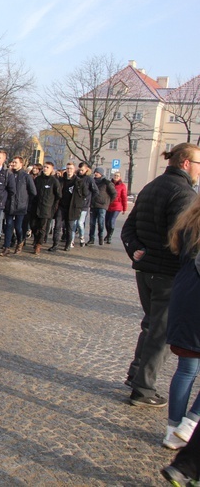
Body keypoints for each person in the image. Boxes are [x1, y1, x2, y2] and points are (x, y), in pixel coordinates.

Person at [122, 143, 200, 408]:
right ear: (186, 163)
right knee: (162, 331)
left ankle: (135, 376)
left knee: (151, 324)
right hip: (168, 273)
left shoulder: (151, 186)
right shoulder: (184, 193)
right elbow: (182, 240)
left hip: (146, 271)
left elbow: (128, 229)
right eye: (199, 164)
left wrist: (137, 250)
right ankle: (143, 388)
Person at [161, 196, 200, 449]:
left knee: (186, 368)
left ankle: (172, 429)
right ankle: (190, 423)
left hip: (184, 296)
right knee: (187, 369)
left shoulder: (189, 225)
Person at [0, 156, 36, 256]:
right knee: (9, 226)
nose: (13, 164)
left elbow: (33, 192)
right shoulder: (9, 174)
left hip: (21, 206)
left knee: (18, 227)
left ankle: (20, 241)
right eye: (13, 162)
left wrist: (26, 201)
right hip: (9, 205)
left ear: (21, 164)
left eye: (16, 162)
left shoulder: (26, 176)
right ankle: (6, 247)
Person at [30, 162, 61, 254]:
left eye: (47, 167)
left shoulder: (54, 181)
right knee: (33, 225)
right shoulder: (38, 179)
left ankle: (39, 244)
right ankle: (35, 239)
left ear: (51, 169)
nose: (45, 169)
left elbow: (58, 195)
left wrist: (54, 207)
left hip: (47, 208)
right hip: (36, 207)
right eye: (44, 167)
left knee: (42, 228)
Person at [87, 166, 117, 245]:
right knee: (92, 223)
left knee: (100, 223)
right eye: (95, 172)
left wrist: (108, 202)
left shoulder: (107, 182)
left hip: (102, 206)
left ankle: (100, 238)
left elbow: (114, 193)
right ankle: (91, 239)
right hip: (93, 205)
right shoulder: (92, 181)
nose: (95, 173)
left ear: (101, 173)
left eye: (97, 172)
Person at [105, 171, 128, 244]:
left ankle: (109, 236)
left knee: (111, 221)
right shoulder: (109, 184)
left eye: (117, 176)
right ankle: (108, 234)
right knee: (106, 222)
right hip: (108, 205)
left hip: (117, 206)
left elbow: (124, 197)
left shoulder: (122, 186)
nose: (116, 177)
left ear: (120, 177)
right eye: (115, 175)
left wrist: (124, 208)